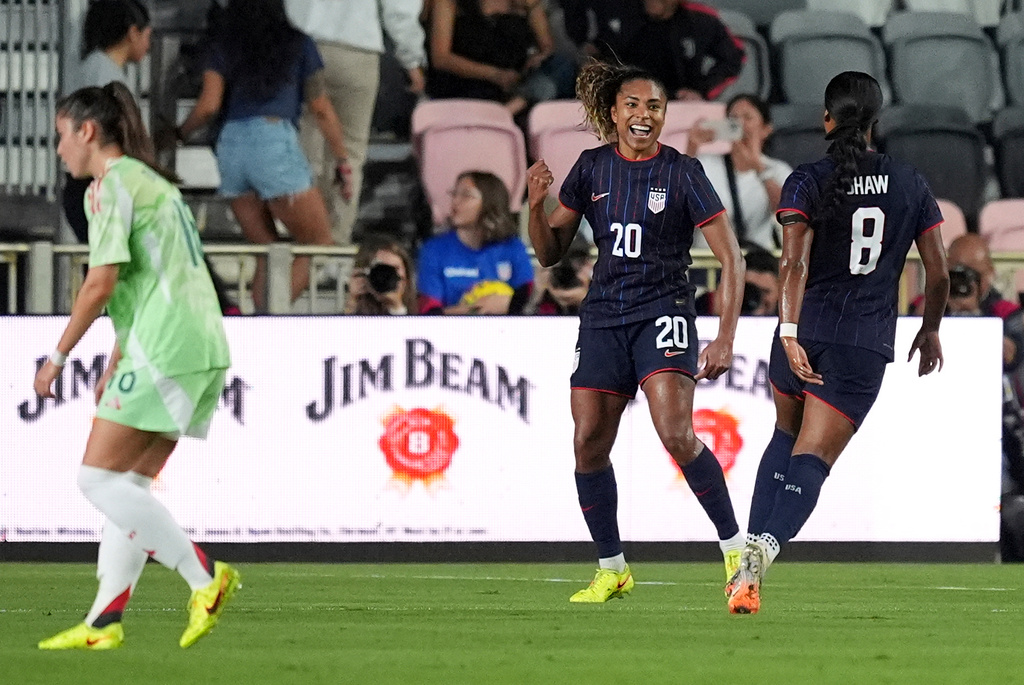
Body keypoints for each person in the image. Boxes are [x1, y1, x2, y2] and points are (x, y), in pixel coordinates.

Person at [728, 71, 949, 615]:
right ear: (875, 123)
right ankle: (765, 551)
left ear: (827, 120)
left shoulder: (806, 179)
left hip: (802, 330)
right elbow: (939, 274)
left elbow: (792, 261)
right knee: (812, 458)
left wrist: (788, 330)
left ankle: (744, 563)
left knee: (784, 436)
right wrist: (931, 327)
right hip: (862, 341)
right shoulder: (910, 181)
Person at [526, 60, 748, 602]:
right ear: (613, 114)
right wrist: (536, 202)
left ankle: (736, 550)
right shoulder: (591, 167)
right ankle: (612, 568)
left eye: (654, 106)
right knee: (587, 444)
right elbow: (549, 252)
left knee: (675, 432)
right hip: (603, 314)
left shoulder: (682, 172)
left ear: (664, 116)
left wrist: (724, 336)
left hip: (664, 307)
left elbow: (732, 257)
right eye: (633, 105)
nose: (643, 115)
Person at [36, 83, 240, 650]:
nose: (59, 150)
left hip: (169, 344)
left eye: (61, 136)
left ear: (87, 131)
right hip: (193, 342)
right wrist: (119, 353)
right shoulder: (153, 185)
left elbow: (101, 281)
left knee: (96, 478)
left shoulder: (111, 186)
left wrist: (58, 356)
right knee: (127, 482)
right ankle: (103, 622)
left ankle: (205, 577)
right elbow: (150, 277)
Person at [177, 0, 353, 311]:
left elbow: (208, 106)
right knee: (319, 244)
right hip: (273, 144)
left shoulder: (224, 44)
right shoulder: (298, 43)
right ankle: (269, 318)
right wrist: (342, 159)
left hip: (230, 147)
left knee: (266, 250)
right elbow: (321, 109)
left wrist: (178, 134)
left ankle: (258, 324)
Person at [285, 0, 427, 246]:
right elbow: (399, 8)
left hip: (299, 40)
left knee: (303, 148)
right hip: (357, 47)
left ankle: (303, 241)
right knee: (349, 151)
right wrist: (412, 59)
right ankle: (335, 247)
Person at [63, 0, 152, 245]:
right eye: (147, 35)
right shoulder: (104, 74)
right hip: (97, 186)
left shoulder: (96, 68)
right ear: (133, 32)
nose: (148, 44)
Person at [562, 0, 744, 101]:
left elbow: (735, 57)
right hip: (623, 98)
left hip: (676, 102)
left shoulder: (700, 20)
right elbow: (596, 50)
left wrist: (702, 91)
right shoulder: (619, 9)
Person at [427, 0, 576, 116]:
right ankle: (509, 111)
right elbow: (441, 58)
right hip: (466, 84)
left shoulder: (527, 3)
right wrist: (495, 75)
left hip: (515, 84)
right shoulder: (449, 3)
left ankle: (510, 109)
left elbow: (547, 48)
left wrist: (538, 58)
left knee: (564, 66)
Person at [417, 171, 534, 314]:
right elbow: (428, 312)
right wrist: (475, 310)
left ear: (490, 202)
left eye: (466, 195)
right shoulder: (434, 250)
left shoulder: (513, 247)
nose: (455, 201)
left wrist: (510, 305)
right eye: (454, 194)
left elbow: (530, 301)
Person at [687, 95, 792, 252]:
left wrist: (759, 168)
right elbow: (676, 197)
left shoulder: (777, 170)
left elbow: (787, 212)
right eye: (733, 118)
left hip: (755, 263)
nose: (740, 124)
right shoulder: (706, 164)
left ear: (766, 129)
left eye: (747, 117)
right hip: (709, 262)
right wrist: (691, 148)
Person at [345, 234, 418, 315]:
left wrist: (397, 307)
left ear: (405, 275)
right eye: (380, 269)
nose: (386, 275)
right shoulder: (355, 306)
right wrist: (353, 302)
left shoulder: (426, 307)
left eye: (394, 269)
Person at [697, 246, 778, 316]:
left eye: (765, 291)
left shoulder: (787, 317)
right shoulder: (704, 304)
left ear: (779, 292)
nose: (755, 296)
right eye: (749, 289)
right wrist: (717, 310)